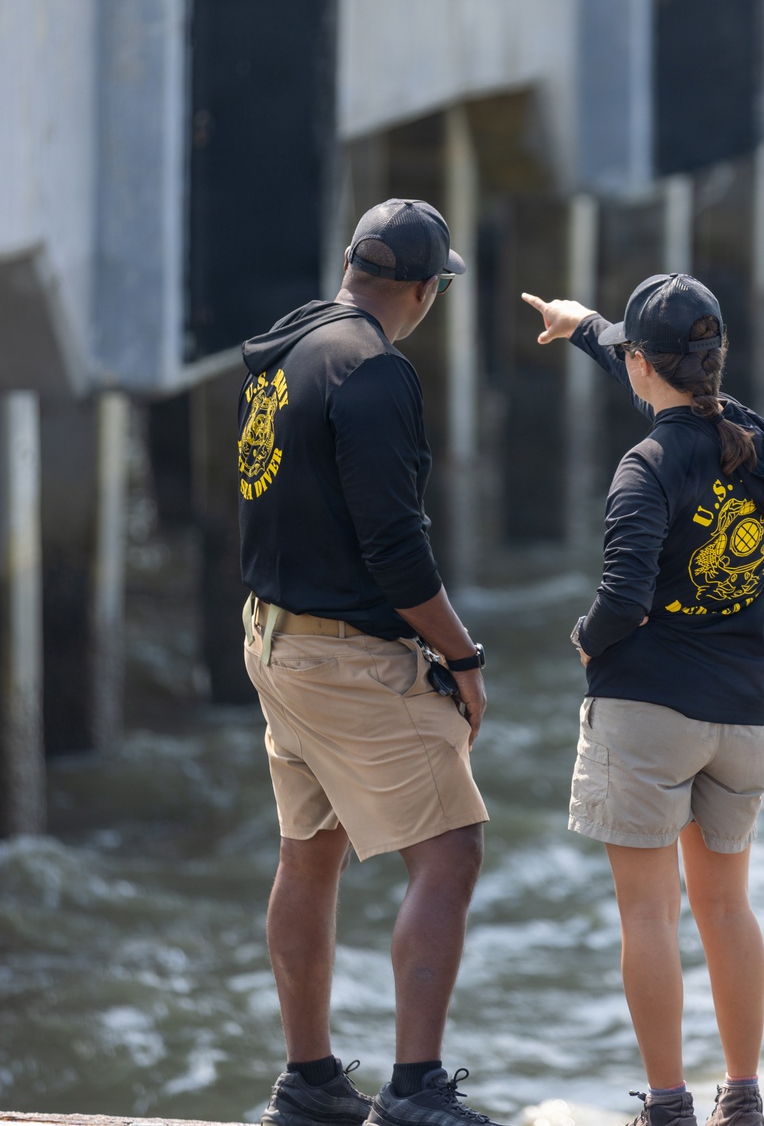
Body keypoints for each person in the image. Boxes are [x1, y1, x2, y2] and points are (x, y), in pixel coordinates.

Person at [239, 198, 502, 1126]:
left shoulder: (289, 351)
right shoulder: (375, 373)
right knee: (451, 848)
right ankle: (415, 1088)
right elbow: (398, 550)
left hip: (272, 638)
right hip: (344, 656)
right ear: (425, 290)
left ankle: (307, 1081)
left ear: (353, 267)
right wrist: (461, 655)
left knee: (309, 851)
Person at [522, 276, 764, 1126]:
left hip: (650, 710)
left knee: (649, 913)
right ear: (716, 360)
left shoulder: (644, 467)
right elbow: (682, 397)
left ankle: (668, 1105)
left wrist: (582, 641)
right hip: (745, 714)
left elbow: (623, 601)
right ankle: (742, 1097)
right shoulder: (760, 444)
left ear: (643, 366)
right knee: (726, 906)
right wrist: (585, 328)